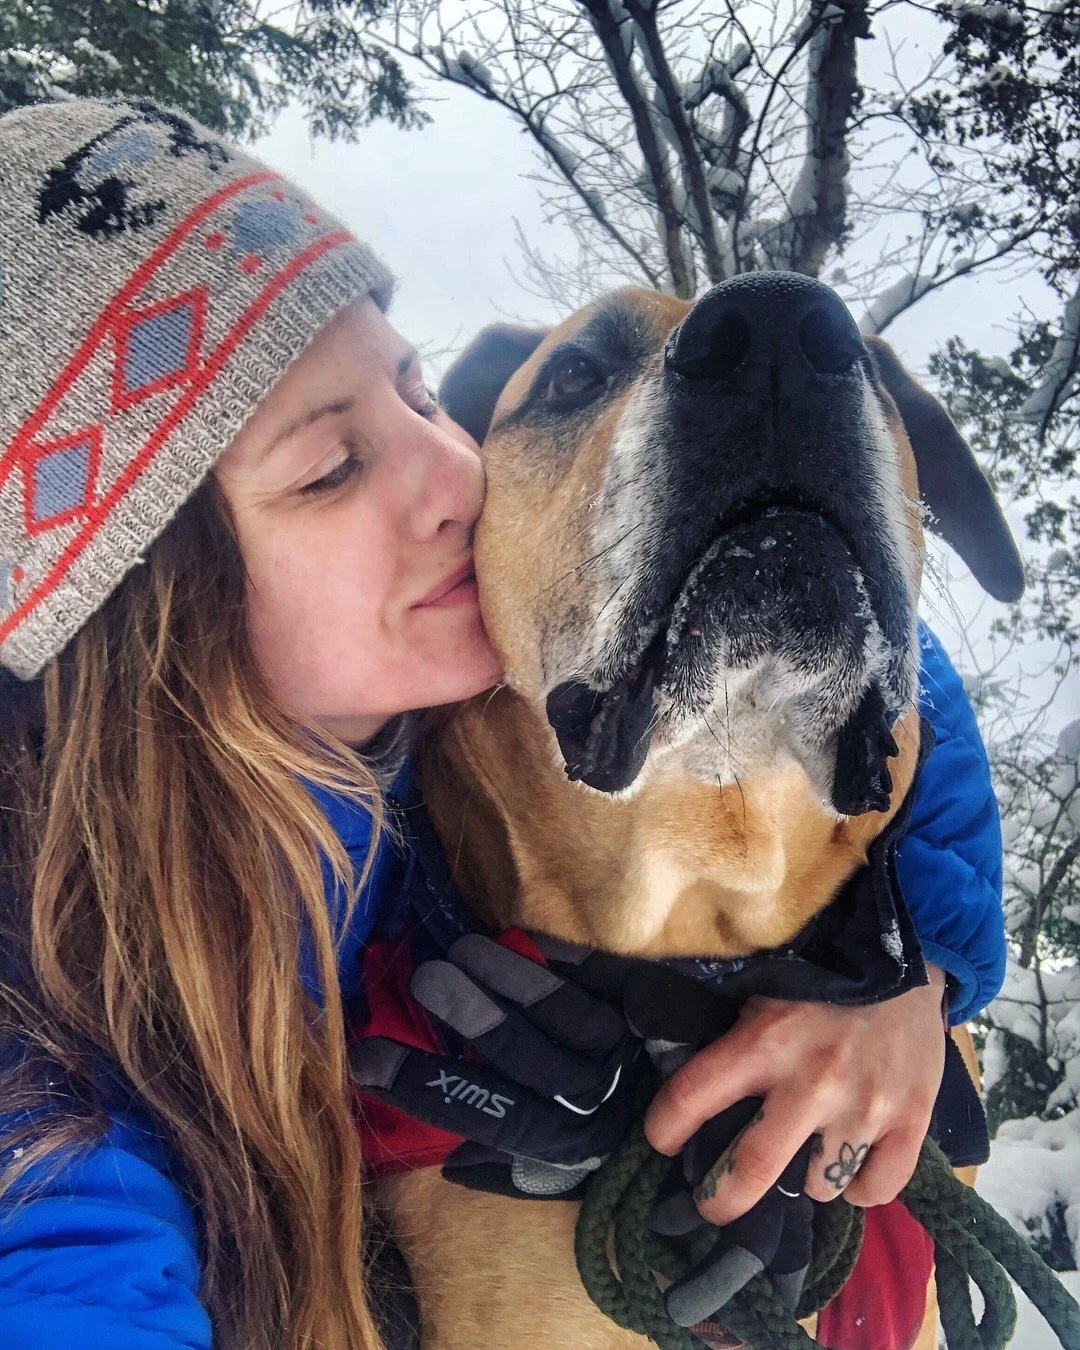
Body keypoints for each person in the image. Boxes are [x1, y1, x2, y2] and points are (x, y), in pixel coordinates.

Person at [0, 98, 1005, 1350]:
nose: (454, 475)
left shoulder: (420, 673)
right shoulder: (53, 960)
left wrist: (913, 970)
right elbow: (60, 1247)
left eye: (421, 397)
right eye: (328, 469)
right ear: (160, 617)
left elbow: (895, 657)